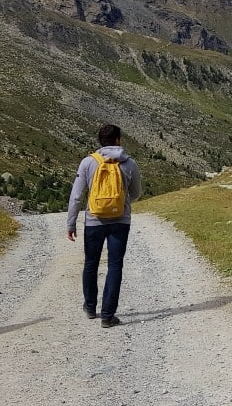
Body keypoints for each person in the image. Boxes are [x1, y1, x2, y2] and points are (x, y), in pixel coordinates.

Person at [66, 123, 142, 328]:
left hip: (94, 221)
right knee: (115, 265)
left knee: (91, 263)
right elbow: (136, 193)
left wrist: (71, 222)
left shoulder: (88, 163)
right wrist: (122, 204)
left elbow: (76, 196)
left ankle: (90, 307)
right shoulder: (129, 164)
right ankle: (108, 316)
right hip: (120, 221)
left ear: (100, 141)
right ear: (118, 140)